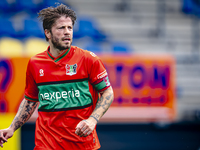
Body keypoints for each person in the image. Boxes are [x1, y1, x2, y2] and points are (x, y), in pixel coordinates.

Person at [0, 3, 114, 150]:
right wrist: (11, 128)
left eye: (70, 28)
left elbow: (107, 92)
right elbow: (30, 101)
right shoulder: (35, 63)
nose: (67, 32)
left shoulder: (88, 59)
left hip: (82, 144)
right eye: (61, 28)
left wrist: (93, 119)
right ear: (48, 33)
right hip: (46, 144)